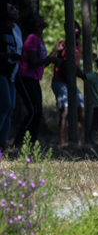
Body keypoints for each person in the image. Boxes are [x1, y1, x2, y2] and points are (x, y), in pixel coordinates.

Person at [15, 14, 64, 147]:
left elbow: (43, 63)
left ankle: (31, 144)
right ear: (36, 24)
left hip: (34, 79)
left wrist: (55, 51)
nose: (43, 18)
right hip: (25, 78)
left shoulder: (39, 40)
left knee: (37, 112)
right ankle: (19, 143)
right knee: (33, 111)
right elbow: (32, 62)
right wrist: (53, 59)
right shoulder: (31, 39)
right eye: (39, 18)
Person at [51, 21, 85, 146]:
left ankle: (74, 141)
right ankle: (62, 143)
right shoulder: (63, 45)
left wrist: (84, 76)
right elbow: (62, 64)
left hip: (71, 83)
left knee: (82, 112)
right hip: (60, 82)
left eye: (78, 28)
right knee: (65, 111)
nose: (77, 30)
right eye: (74, 28)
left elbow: (75, 66)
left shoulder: (78, 45)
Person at [1, 1, 23, 152]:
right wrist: (8, 55)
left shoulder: (17, 30)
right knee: (6, 104)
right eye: (11, 8)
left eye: (17, 7)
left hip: (12, 74)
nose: (15, 10)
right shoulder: (0, 28)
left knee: (11, 108)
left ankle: (2, 144)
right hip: (1, 71)